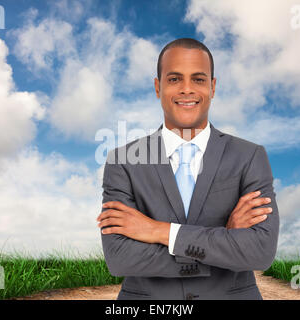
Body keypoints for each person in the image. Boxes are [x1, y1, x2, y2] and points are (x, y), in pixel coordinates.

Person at [97, 38, 279, 300]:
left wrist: (158, 231)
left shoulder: (250, 156)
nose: (186, 89)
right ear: (158, 87)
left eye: (198, 79)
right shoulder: (123, 161)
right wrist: (225, 239)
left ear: (213, 87)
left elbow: (260, 251)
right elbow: (120, 258)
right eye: (174, 79)